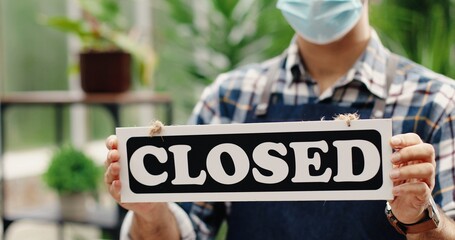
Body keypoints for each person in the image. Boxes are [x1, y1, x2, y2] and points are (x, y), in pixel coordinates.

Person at [104, 0, 455, 239]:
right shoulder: (229, 98)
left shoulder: (436, 103)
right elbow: (187, 230)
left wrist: (421, 218)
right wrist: (150, 212)